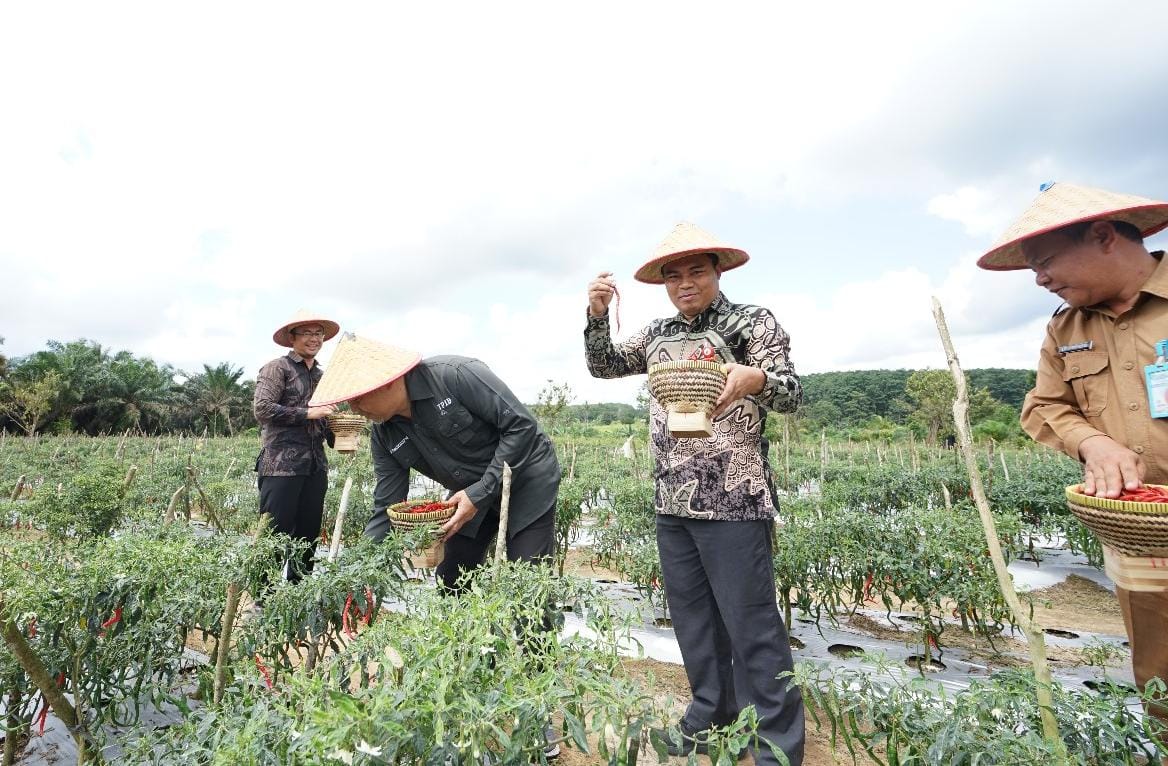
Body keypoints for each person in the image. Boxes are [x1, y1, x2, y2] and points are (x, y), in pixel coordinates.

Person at [584, 222, 805, 765]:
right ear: (663, 283)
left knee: (751, 623)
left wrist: (756, 380)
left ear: (718, 271)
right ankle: (711, 717)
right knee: (694, 622)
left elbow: (794, 393)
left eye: (697, 271)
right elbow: (603, 365)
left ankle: (775, 743)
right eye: (674, 275)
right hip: (671, 501)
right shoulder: (657, 333)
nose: (685, 283)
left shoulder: (750, 323)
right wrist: (595, 315)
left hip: (735, 500)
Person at [977, 181, 1168, 721]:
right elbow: (1043, 407)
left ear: (1103, 235)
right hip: (1140, 532)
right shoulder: (1066, 328)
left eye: (1045, 263)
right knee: (1159, 675)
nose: (1040, 279)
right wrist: (1092, 441)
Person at [307, 332, 561, 592]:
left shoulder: (456, 375)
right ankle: (466, 631)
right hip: (468, 490)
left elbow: (521, 426)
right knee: (452, 577)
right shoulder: (384, 435)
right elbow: (387, 505)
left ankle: (531, 631)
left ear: (386, 381)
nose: (355, 408)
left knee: (529, 581)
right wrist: (360, 569)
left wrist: (481, 492)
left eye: (358, 397)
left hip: (526, 479)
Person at [253, 309, 340, 586]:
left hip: (315, 467)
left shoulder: (322, 376)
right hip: (281, 466)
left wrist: (340, 435)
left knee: (308, 534)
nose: (314, 339)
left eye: (318, 333)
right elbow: (262, 408)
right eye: (307, 333)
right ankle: (261, 597)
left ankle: (297, 593)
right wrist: (307, 413)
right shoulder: (277, 368)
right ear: (292, 338)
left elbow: (324, 420)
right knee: (274, 533)